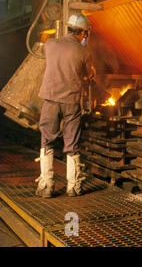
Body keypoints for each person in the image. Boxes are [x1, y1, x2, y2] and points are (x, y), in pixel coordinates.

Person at [35, 13, 93, 198]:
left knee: (47, 140)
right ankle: (73, 187)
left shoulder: (50, 45)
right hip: (71, 102)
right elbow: (87, 75)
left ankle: (46, 186)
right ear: (83, 32)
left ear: (67, 28)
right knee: (72, 143)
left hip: (51, 100)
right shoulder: (84, 52)